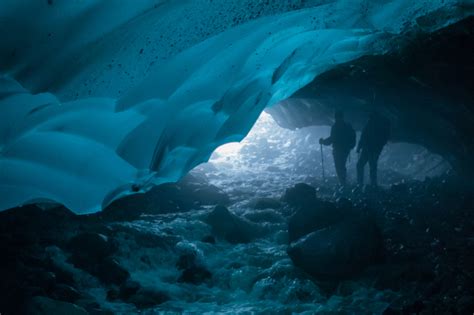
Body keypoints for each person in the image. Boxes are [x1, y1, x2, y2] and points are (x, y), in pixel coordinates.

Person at [319, 111, 356, 186]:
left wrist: (323, 142)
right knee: (342, 165)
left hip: (338, 150)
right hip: (345, 150)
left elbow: (332, 139)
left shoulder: (335, 126)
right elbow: (352, 137)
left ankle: (342, 183)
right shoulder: (347, 125)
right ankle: (343, 182)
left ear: (336, 117)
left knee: (339, 166)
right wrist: (350, 146)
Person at [356, 112, 391, 187]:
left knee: (361, 165)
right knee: (372, 167)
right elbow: (383, 139)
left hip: (368, 149)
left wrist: (359, 147)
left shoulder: (369, 125)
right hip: (373, 150)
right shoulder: (379, 127)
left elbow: (363, 137)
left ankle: (360, 183)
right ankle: (373, 184)